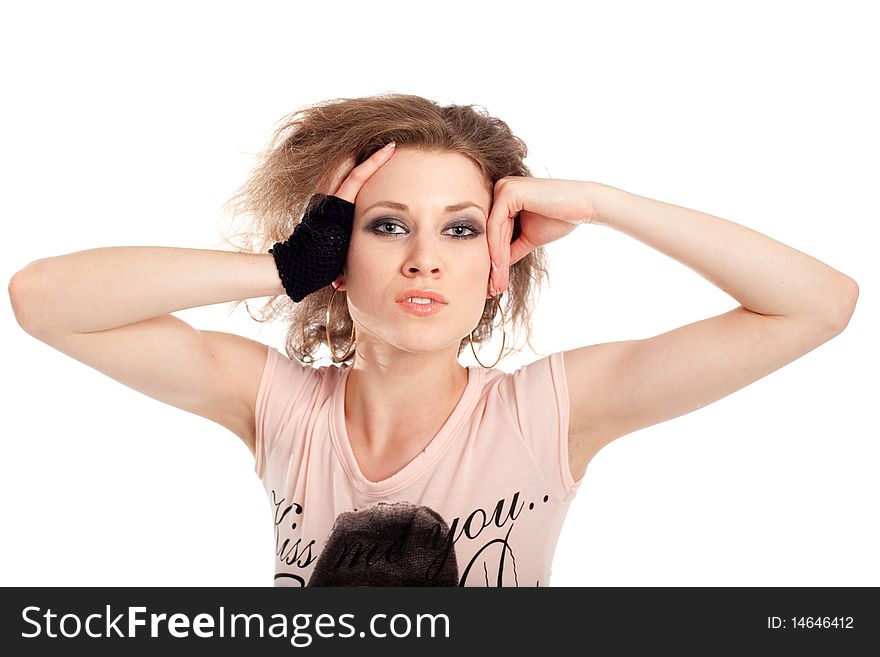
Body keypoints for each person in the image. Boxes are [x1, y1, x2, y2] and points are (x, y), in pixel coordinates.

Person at [8, 93, 859, 587]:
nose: (424, 260)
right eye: (386, 226)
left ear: (495, 257)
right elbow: (44, 300)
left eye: (459, 230)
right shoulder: (280, 409)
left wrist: (605, 202)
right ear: (339, 254)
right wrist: (282, 266)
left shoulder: (546, 416)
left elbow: (818, 305)